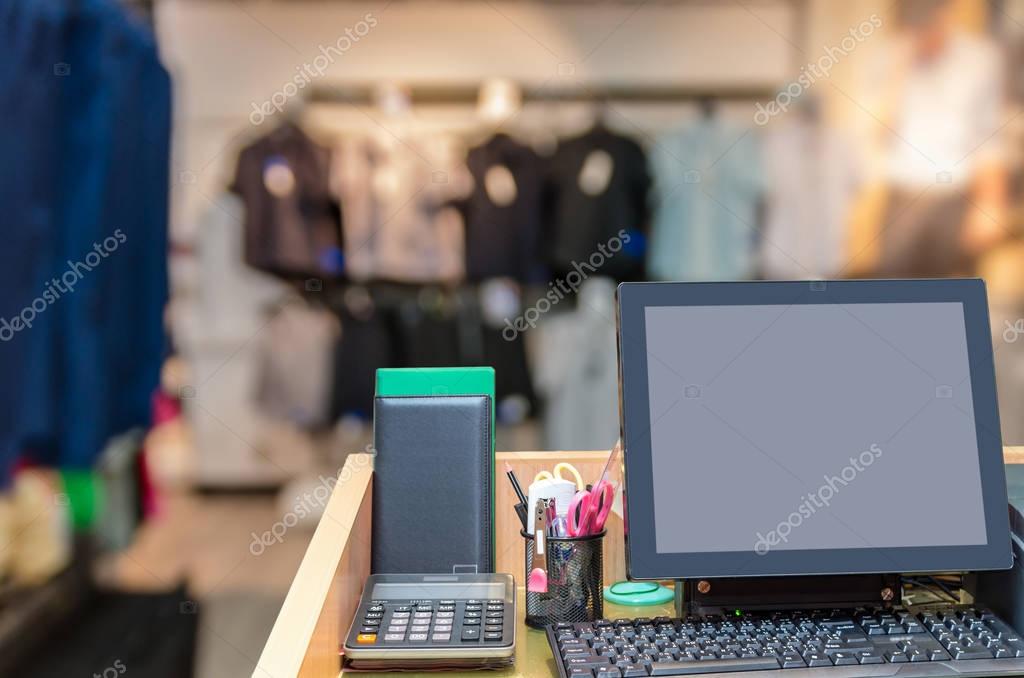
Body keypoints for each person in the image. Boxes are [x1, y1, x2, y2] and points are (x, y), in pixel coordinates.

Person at [863, 0, 1008, 277]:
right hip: (901, 200)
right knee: (894, 295)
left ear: (945, 13)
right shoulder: (888, 57)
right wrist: (899, 72)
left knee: (954, 295)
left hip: (956, 200)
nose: (921, 32)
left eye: (927, 21)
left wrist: (990, 205)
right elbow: (878, 134)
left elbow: (989, 139)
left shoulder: (980, 60)